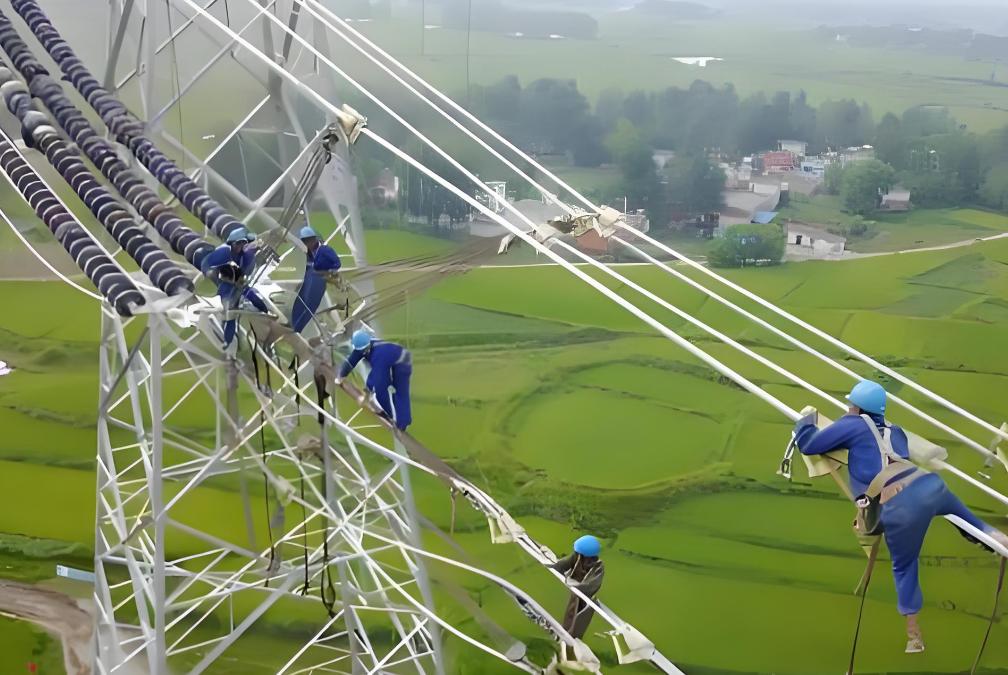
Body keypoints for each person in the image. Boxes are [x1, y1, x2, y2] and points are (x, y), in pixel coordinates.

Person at [794, 380, 1008, 654]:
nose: (848, 407)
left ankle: (913, 634)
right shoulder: (897, 432)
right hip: (931, 485)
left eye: (851, 404)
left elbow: (810, 445)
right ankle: (997, 540)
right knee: (970, 521)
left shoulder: (853, 424)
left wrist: (806, 421)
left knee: (904, 565)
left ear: (857, 407)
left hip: (902, 505)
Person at [201, 228, 269, 347]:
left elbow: (248, 270)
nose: (241, 246)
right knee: (230, 312)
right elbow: (206, 266)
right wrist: (218, 277)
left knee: (252, 296)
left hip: (240, 282)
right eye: (238, 243)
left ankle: (266, 312)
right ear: (232, 244)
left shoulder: (246, 255)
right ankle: (227, 340)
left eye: (243, 243)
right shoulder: (223, 253)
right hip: (226, 285)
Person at [336, 329, 412, 430]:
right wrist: (341, 376)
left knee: (396, 391)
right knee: (378, 385)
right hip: (390, 358)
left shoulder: (377, 356)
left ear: (367, 348)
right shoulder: (363, 346)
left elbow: (379, 382)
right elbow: (351, 361)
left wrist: (368, 396)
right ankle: (391, 411)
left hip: (402, 362)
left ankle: (400, 422)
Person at [548, 535, 605, 640]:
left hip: (586, 598)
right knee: (570, 614)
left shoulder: (598, 567)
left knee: (579, 620)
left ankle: (574, 640)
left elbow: (591, 585)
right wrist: (553, 568)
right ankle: (564, 636)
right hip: (575, 592)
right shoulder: (578, 556)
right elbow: (564, 564)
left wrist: (575, 586)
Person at [289, 226, 342, 333]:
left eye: (309, 240)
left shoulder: (325, 250)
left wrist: (329, 272)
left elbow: (337, 263)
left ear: (314, 239)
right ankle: (293, 327)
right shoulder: (308, 253)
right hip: (309, 279)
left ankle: (297, 329)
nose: (307, 243)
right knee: (301, 303)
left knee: (310, 306)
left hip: (319, 280)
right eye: (305, 241)